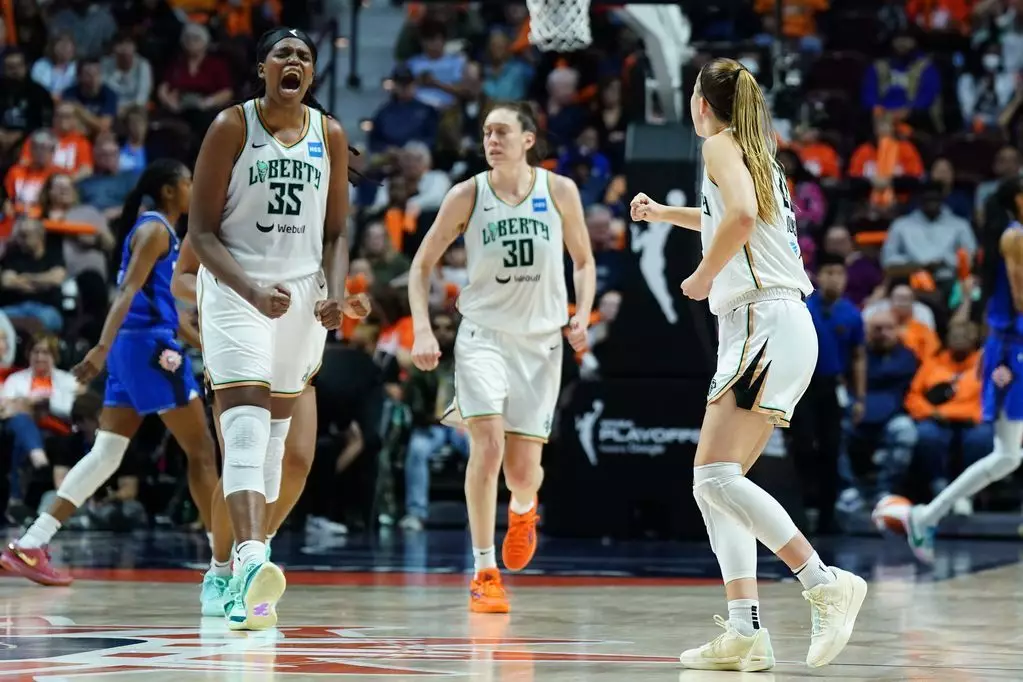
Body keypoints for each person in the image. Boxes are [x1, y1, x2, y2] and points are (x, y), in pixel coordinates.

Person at [630, 57, 867, 671]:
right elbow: (731, 217)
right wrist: (666, 215)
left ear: (702, 105)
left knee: (712, 479)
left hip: (762, 321)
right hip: (779, 323)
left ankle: (822, 582)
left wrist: (703, 275)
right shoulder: (756, 150)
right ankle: (745, 632)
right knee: (716, 485)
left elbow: (735, 220)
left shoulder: (717, 146)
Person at [187, 28, 363, 631]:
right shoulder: (231, 127)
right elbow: (202, 234)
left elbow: (337, 233)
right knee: (242, 431)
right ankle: (251, 563)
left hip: (302, 296)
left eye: (304, 56)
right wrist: (250, 289)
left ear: (312, 74)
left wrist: (335, 291)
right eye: (282, 54)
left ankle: (224, 576)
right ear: (262, 67)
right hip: (237, 289)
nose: (293, 61)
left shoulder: (329, 134)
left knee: (273, 446)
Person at [408, 101, 596, 614]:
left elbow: (583, 260)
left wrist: (582, 314)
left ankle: (523, 508)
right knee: (486, 448)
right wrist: (423, 330)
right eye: (487, 132)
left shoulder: (559, 192)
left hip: (540, 344)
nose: (492, 140)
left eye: (503, 131)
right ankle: (483, 571)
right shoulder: (467, 194)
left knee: (521, 473)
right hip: (484, 337)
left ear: (529, 139)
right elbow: (421, 265)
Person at [0, 159, 220, 586]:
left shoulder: (157, 231)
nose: (195, 188)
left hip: (133, 348)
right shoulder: (156, 229)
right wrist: (99, 348)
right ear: (170, 190)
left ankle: (31, 543)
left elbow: (163, 307)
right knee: (202, 451)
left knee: (107, 454)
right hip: (148, 350)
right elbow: (127, 293)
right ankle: (222, 567)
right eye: (188, 181)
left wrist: (205, 345)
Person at [171, 232, 368, 615]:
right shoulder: (233, 201)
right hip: (242, 338)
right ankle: (221, 570)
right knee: (244, 462)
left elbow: (331, 276)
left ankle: (257, 551)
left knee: (295, 462)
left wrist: (345, 302)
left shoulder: (314, 211)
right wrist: (237, 288)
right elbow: (182, 276)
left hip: (295, 343)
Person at [875, 176, 1023, 563]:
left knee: (1008, 456)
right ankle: (924, 516)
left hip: (1010, 350)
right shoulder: (1014, 236)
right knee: (1007, 453)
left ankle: (924, 516)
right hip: (1012, 352)